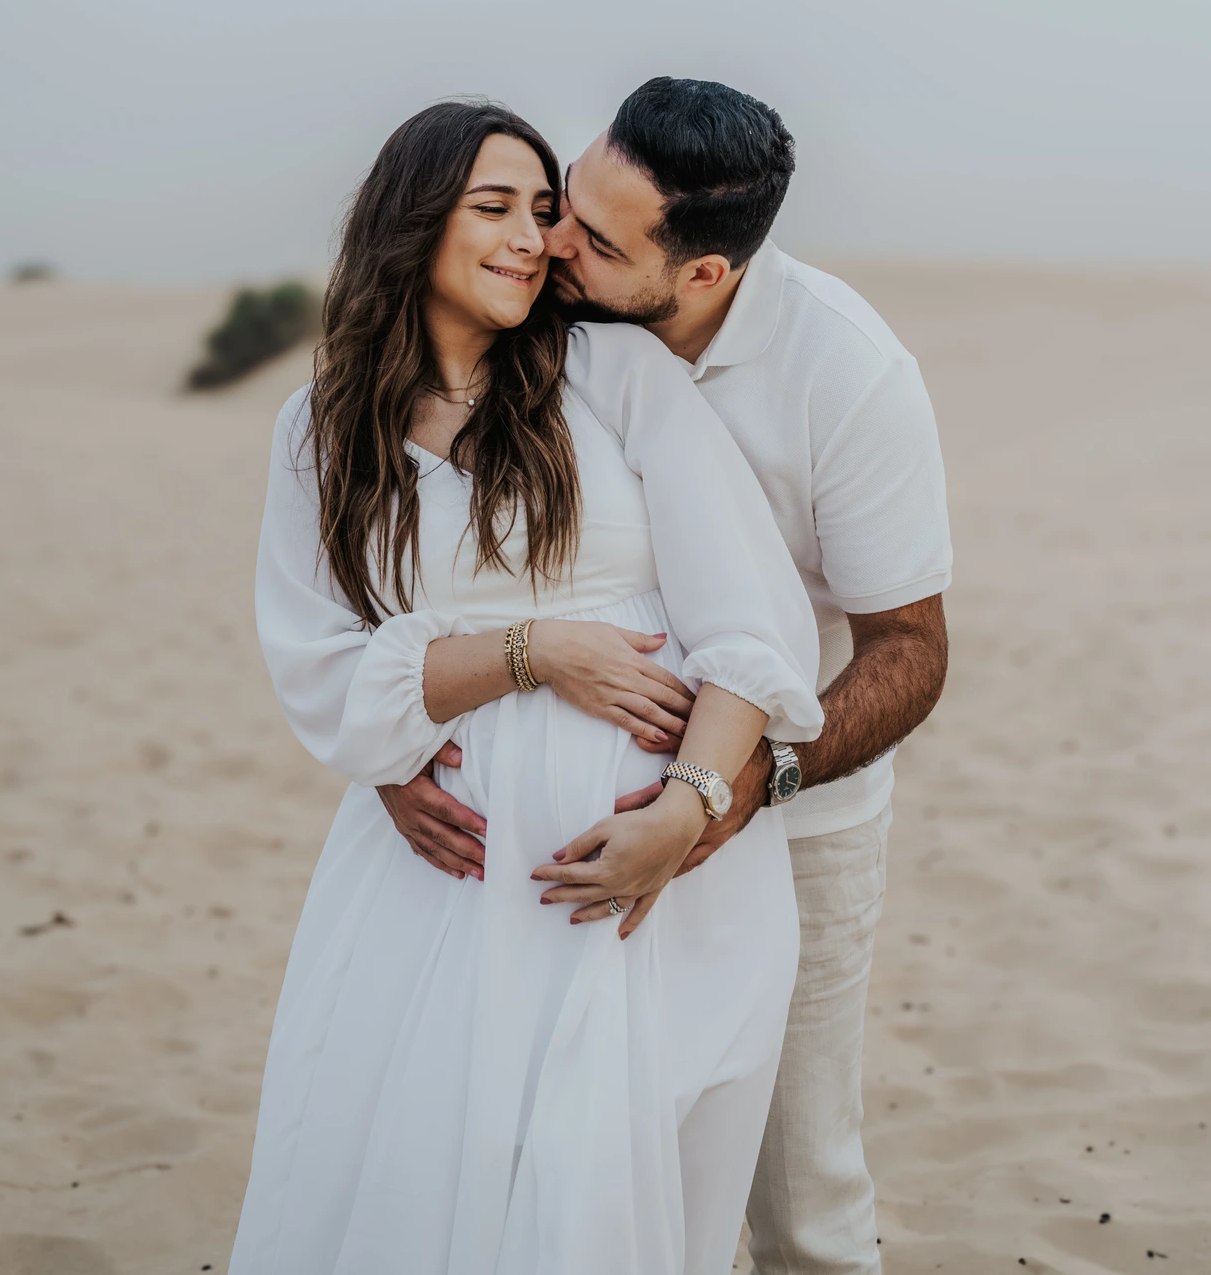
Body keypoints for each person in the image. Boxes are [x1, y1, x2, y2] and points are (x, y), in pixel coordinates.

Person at [228, 99, 825, 1275]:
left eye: (543, 210)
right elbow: (321, 669)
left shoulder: (607, 369)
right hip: (443, 890)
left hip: (648, 888)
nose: (529, 239)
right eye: (492, 207)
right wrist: (530, 652)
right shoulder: (323, 429)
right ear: (412, 219)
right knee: (424, 1186)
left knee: (598, 1199)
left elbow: (749, 626)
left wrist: (686, 808)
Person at [382, 78, 952, 1275]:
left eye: (596, 240)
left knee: (797, 1191)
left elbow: (908, 646)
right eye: (564, 203)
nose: (552, 246)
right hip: (546, 851)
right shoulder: (543, 314)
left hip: (792, 815)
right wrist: (388, 753)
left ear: (700, 274)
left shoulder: (846, 373)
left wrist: (737, 788)